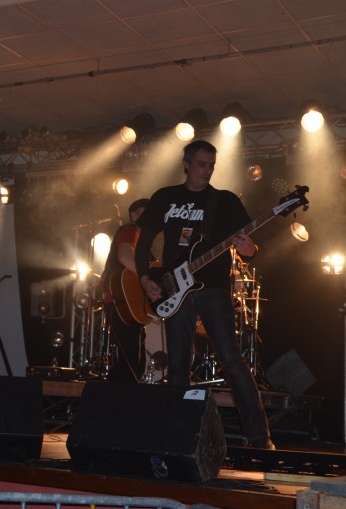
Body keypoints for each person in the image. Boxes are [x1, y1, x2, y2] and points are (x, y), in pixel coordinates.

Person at [134, 140, 274, 450]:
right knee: (178, 366)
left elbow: (249, 245)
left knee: (231, 359)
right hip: (174, 287)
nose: (207, 170)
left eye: (211, 165)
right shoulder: (165, 197)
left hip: (213, 288)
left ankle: (259, 437)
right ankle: (179, 437)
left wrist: (250, 250)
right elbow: (143, 243)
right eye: (201, 164)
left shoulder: (224, 201)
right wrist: (145, 278)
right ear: (186, 164)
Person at [101, 198, 150, 382]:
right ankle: (116, 396)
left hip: (128, 304)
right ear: (133, 216)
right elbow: (124, 256)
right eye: (145, 213)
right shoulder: (129, 231)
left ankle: (120, 395)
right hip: (121, 303)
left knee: (133, 363)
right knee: (129, 364)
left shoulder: (142, 241)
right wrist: (148, 279)